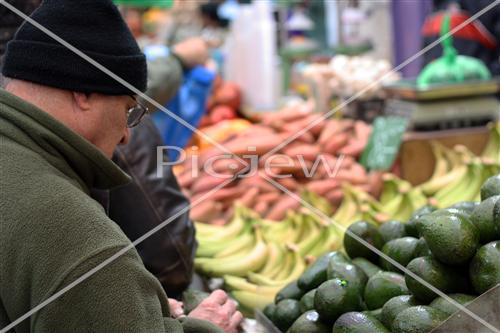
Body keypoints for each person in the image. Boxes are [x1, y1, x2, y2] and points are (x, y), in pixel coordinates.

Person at [0, 0, 242, 332]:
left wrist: (135, 310)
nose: (128, 136)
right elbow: (165, 254)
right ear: (82, 92)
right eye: (129, 110)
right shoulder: (81, 241)